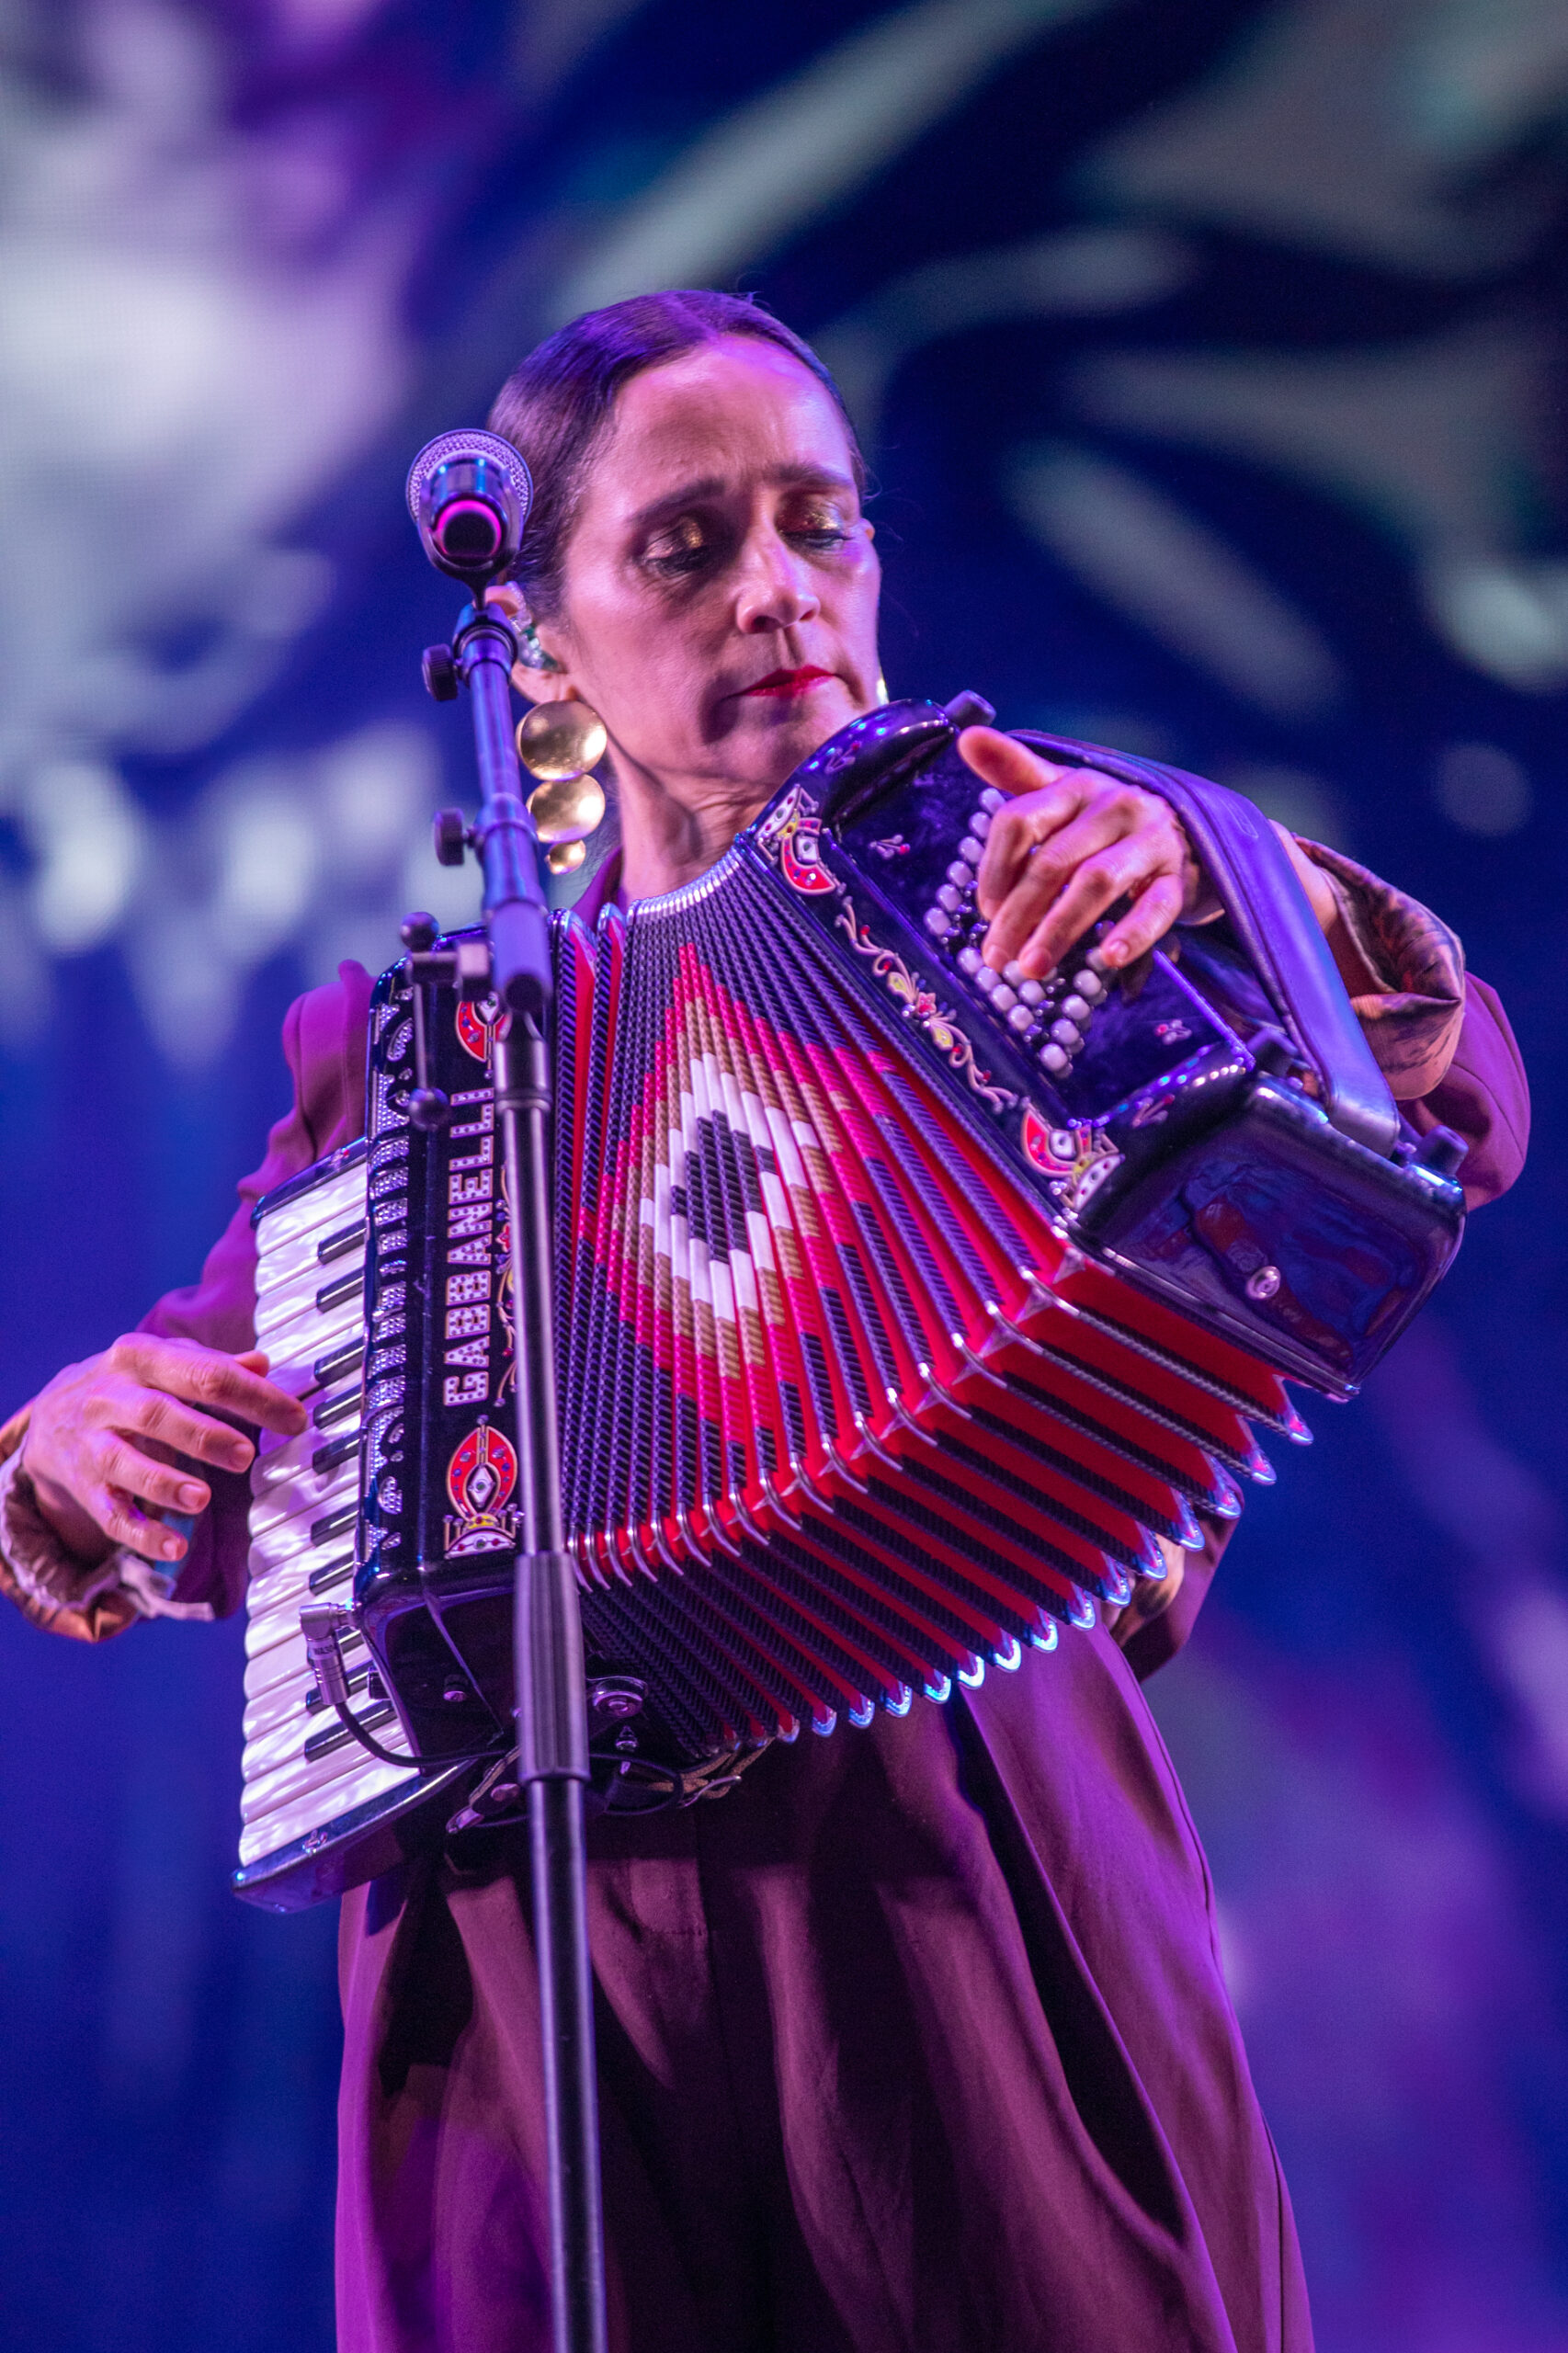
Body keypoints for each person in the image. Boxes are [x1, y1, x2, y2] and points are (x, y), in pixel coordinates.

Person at [0, 291, 1529, 2353]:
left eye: (820, 524)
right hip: (520, 1951)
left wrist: (1224, 871)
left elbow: (1452, 1092)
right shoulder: (422, 1065)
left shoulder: (1026, 861)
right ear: (540, 644)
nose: (777, 590)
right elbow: (198, 1447)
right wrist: (70, 1446)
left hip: (958, 1859)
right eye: (685, 543)